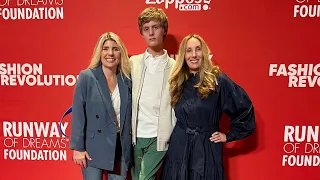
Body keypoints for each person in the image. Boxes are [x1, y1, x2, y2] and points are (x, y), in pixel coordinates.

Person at [162, 34, 256, 180]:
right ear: (183, 55)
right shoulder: (178, 82)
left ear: (204, 53)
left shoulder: (219, 81)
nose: (194, 55)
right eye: (189, 50)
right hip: (179, 147)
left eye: (198, 49)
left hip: (207, 148)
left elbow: (244, 109)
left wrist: (228, 136)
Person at [70, 32, 132, 180]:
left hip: (120, 147)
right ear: (99, 52)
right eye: (105, 48)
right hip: (93, 146)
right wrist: (78, 149)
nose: (110, 53)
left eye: (115, 49)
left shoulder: (127, 79)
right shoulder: (87, 77)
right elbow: (78, 114)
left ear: (121, 53)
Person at [130, 7, 176, 180]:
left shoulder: (174, 66)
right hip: (135, 136)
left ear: (163, 29)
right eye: (146, 29)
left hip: (159, 136)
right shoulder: (133, 63)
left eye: (155, 27)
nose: (151, 33)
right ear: (141, 32)